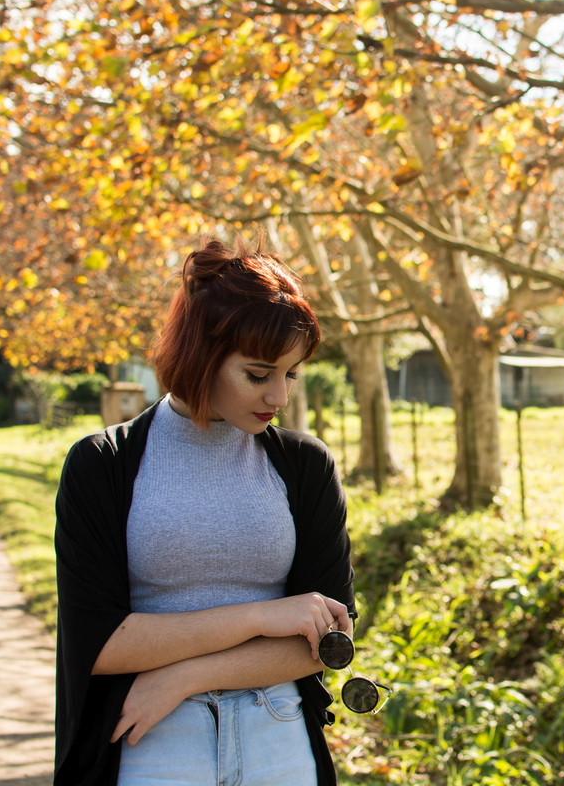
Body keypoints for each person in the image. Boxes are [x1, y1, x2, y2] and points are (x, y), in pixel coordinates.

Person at [53, 236, 355, 785]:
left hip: (278, 736)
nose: (280, 397)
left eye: (290, 373)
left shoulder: (306, 466)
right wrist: (260, 617)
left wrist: (184, 677)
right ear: (201, 355)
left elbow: (331, 640)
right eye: (258, 375)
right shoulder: (103, 465)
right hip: (151, 739)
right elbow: (97, 642)